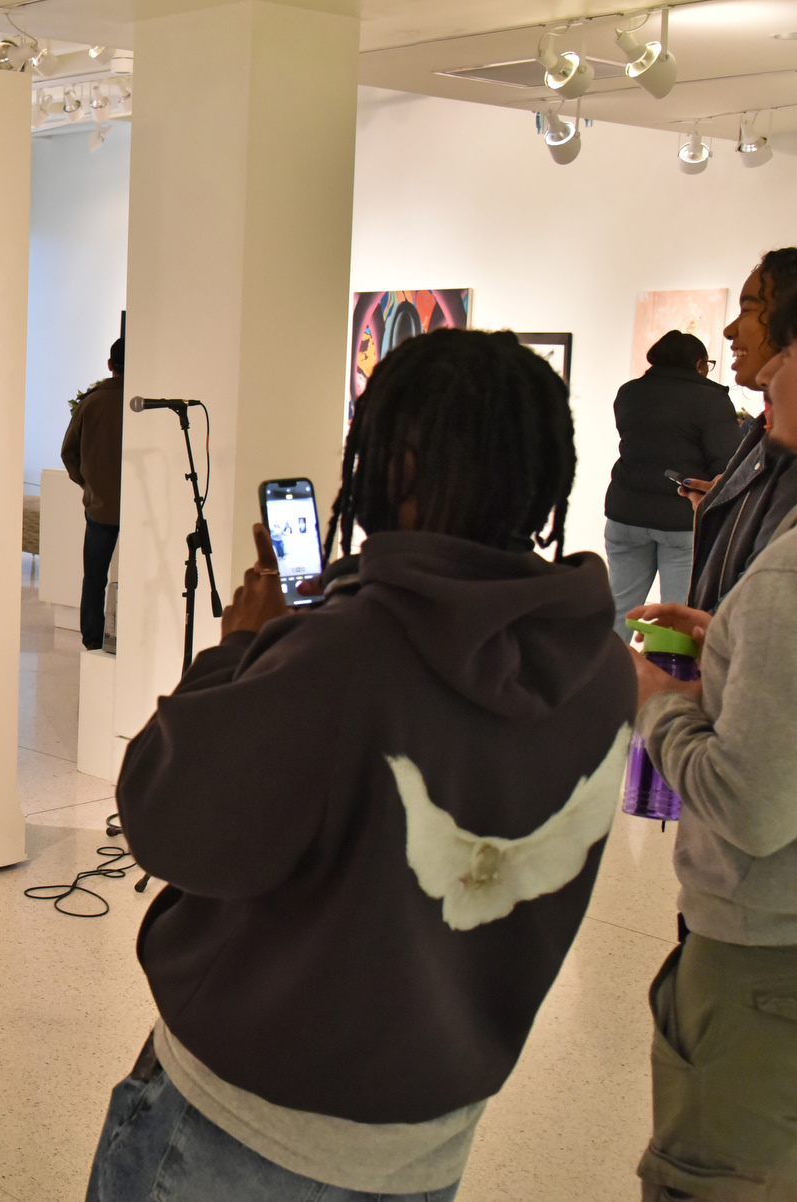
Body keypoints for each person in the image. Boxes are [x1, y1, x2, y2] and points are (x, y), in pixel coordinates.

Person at [85, 329, 634, 1202]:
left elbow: (168, 815)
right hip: (429, 1139)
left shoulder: (348, 652)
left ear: (400, 464)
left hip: (245, 1132)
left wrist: (247, 647)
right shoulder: (602, 669)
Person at [628, 291, 797, 1200]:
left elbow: (749, 805)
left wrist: (661, 705)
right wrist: (733, 645)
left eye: (773, 326)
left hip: (764, 962)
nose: (760, 360)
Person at [603, 330, 740, 636]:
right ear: (699, 364)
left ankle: (607, 679)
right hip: (681, 521)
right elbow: (727, 465)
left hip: (625, 514)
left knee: (620, 611)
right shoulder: (711, 400)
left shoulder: (630, 393)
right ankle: (666, 683)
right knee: (677, 617)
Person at [682, 248, 797, 612]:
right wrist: (723, 504)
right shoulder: (763, 433)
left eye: (748, 309)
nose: (730, 330)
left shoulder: (782, 444)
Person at [61, 336, 124, 650]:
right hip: (140, 512)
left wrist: (87, 484)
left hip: (99, 508)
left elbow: (68, 453)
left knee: (95, 577)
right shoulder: (143, 404)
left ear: (110, 365)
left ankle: (92, 639)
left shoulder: (90, 403)